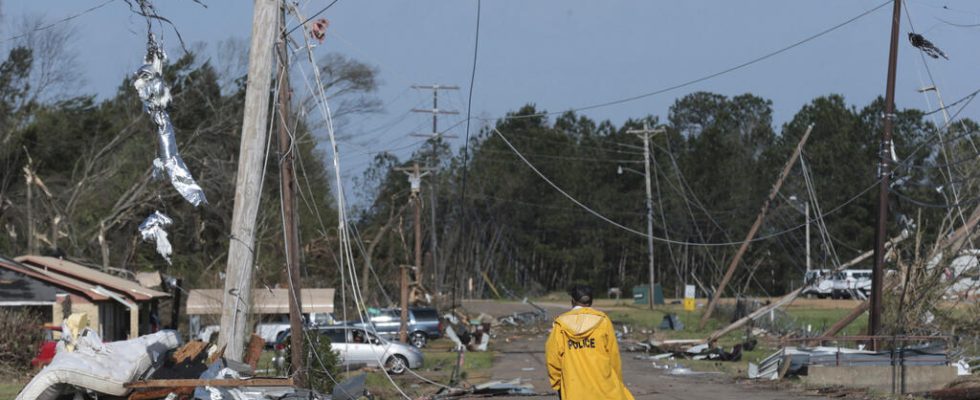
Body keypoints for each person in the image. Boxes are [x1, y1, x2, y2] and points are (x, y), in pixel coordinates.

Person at [546, 285, 634, 400]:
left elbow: (552, 358)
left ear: (572, 301)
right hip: (604, 388)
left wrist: (558, 384)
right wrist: (617, 381)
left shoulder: (560, 324)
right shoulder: (603, 321)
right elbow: (614, 356)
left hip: (574, 389)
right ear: (591, 301)